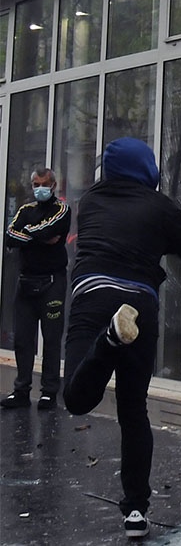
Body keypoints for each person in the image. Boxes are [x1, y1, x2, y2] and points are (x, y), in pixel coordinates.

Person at [61, 137, 181, 539]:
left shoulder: (89, 202)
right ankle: (136, 511)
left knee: (76, 398)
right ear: (146, 168)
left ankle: (108, 340)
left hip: (91, 295)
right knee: (133, 411)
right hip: (138, 301)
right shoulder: (161, 208)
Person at [1, 168, 71, 410]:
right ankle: (21, 390)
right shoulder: (26, 210)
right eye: (35, 184)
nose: (39, 188)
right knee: (22, 340)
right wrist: (37, 236)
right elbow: (10, 236)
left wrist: (28, 234)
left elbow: (51, 230)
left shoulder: (62, 209)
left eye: (43, 183)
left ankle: (49, 392)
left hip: (52, 282)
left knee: (51, 340)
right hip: (26, 283)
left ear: (53, 185)